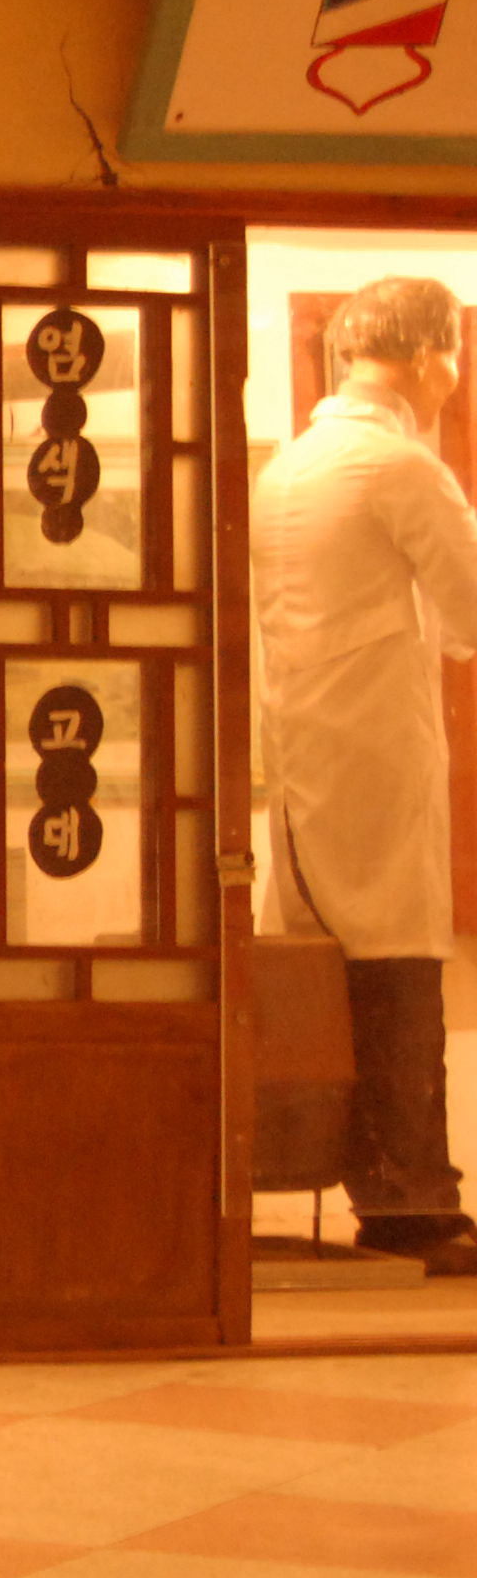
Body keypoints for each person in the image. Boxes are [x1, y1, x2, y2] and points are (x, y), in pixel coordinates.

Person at [256, 276, 477, 1277]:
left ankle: (346, 1176)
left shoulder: (289, 468)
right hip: (380, 753)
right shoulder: (399, 467)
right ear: (428, 356)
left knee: (325, 970)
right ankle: (411, 1201)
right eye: (451, 354)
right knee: (398, 969)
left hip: (303, 753)